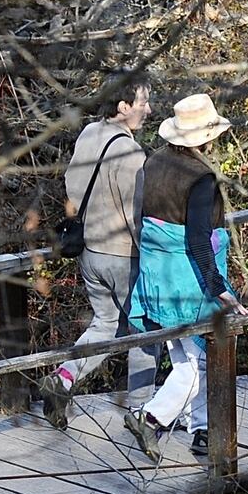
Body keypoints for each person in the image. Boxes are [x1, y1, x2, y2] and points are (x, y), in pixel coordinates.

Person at [123, 93, 248, 460]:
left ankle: (202, 430)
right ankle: (151, 419)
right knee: (196, 368)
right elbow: (196, 240)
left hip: (157, 278)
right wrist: (220, 290)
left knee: (187, 359)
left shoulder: (155, 161)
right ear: (206, 136)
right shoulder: (201, 178)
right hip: (187, 284)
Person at [38, 84, 156, 428]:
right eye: (143, 103)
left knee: (105, 324)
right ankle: (142, 412)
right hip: (122, 256)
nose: (147, 110)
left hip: (89, 251)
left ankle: (63, 378)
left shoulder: (89, 134)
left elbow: (72, 186)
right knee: (145, 330)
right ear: (123, 106)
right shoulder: (131, 154)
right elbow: (137, 215)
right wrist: (151, 256)